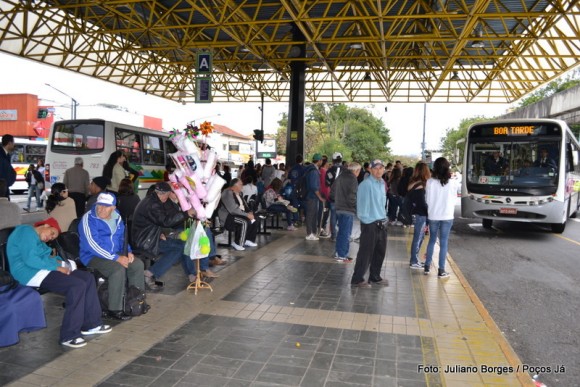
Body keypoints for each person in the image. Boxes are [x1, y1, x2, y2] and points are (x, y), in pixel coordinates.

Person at [7, 217, 111, 348]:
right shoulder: (26, 231)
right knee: (76, 285)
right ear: (45, 225)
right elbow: (31, 260)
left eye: (52, 237)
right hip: (28, 273)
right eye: (51, 233)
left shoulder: (37, 240)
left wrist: (64, 265)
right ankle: (69, 335)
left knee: (87, 278)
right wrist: (57, 267)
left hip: (41, 270)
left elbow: (47, 258)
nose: (49, 238)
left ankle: (92, 324)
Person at [132, 182, 216, 284]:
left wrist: (160, 233)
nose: (166, 199)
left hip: (149, 236)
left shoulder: (151, 201)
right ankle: (151, 272)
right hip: (146, 240)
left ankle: (152, 272)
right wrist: (187, 213)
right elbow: (166, 221)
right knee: (182, 246)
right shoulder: (153, 204)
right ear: (163, 194)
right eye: (167, 196)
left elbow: (154, 221)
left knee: (182, 246)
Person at [78, 192, 145, 321]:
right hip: (92, 256)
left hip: (114, 253)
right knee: (117, 269)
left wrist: (128, 252)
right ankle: (115, 309)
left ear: (113, 208)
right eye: (99, 205)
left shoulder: (117, 217)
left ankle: (136, 301)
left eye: (105, 206)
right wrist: (117, 258)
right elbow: (93, 245)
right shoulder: (88, 219)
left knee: (137, 264)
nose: (101, 209)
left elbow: (122, 238)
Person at [350, 159, 389, 288]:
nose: (378, 170)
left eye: (381, 168)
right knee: (365, 253)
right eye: (375, 168)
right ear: (370, 170)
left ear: (384, 169)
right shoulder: (365, 185)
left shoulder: (382, 183)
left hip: (381, 222)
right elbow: (361, 207)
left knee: (380, 252)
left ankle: (375, 277)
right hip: (370, 223)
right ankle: (357, 279)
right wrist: (368, 221)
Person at [424, 157, 459, 278]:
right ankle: (441, 270)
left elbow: (427, 200)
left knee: (432, 240)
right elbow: (454, 199)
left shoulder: (430, 182)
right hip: (447, 215)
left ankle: (427, 267)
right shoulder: (453, 182)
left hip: (433, 215)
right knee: (444, 242)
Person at [330, 162, 360, 262]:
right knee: (345, 233)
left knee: (341, 232)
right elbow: (353, 195)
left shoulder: (340, 176)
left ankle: (339, 253)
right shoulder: (353, 178)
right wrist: (355, 207)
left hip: (338, 208)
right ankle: (342, 255)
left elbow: (332, 192)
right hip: (347, 209)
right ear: (356, 170)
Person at [218, 178, 259, 251]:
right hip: (228, 217)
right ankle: (237, 243)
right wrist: (246, 215)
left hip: (238, 214)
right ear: (235, 185)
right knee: (244, 222)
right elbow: (233, 210)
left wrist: (249, 212)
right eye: (241, 184)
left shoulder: (239, 193)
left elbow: (244, 205)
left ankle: (248, 239)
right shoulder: (227, 193)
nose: (242, 186)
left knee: (255, 219)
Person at [407, 162, 431, 269]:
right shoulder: (421, 185)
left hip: (415, 213)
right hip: (421, 214)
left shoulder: (413, 183)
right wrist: (429, 212)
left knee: (418, 237)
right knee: (418, 238)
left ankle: (415, 259)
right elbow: (422, 202)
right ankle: (414, 260)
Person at [303, 154, 325, 241]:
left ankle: (312, 232)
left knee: (312, 214)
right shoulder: (313, 171)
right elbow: (313, 186)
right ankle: (309, 233)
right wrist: (320, 197)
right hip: (311, 196)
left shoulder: (311, 169)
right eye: (321, 160)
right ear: (319, 161)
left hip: (311, 196)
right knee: (311, 215)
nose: (322, 162)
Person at [325, 152, 343, 241]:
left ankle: (334, 236)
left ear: (332, 160)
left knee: (333, 216)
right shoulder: (345, 170)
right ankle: (341, 234)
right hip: (343, 198)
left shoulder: (329, 171)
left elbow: (327, 183)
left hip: (333, 197)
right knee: (342, 216)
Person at [318, 156, 331, 238]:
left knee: (323, 213)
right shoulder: (324, 171)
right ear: (325, 163)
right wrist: (327, 196)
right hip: (324, 195)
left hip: (322, 194)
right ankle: (321, 229)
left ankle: (321, 228)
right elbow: (325, 186)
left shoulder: (320, 171)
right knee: (324, 213)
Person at [0, 134, 16, 199]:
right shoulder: (1, 156)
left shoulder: (6, 155)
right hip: (2, 190)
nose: (14, 145)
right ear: (9, 143)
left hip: (5, 188)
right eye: (13, 143)